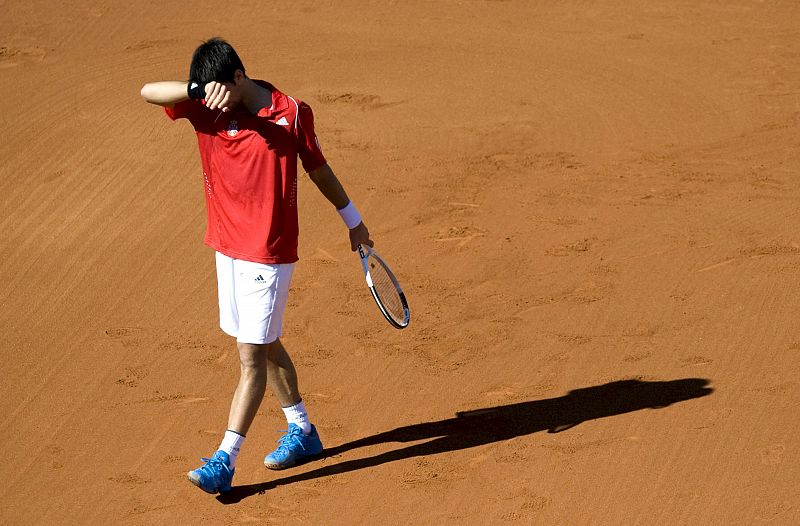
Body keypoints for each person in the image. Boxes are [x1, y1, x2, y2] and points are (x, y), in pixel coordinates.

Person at [140, 38, 373, 494]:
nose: (213, 100)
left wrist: (355, 223)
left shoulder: (291, 113)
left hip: (268, 252)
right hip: (225, 248)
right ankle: (303, 431)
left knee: (251, 357)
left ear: (239, 78)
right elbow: (148, 90)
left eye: (219, 90)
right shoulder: (204, 103)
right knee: (265, 343)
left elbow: (319, 169)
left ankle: (224, 459)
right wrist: (194, 90)